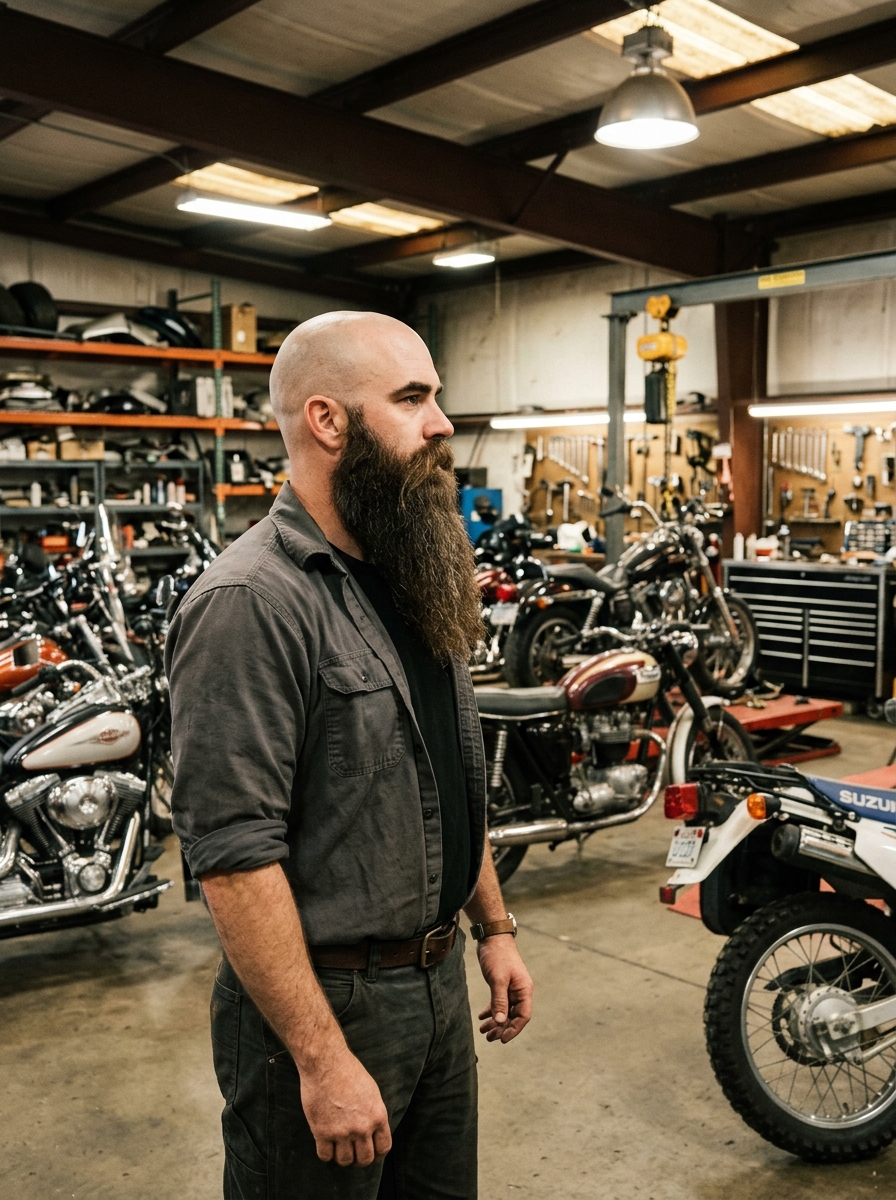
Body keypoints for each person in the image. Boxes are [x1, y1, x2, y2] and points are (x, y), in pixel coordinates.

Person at [167, 310, 534, 1199]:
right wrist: (322, 1058)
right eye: (412, 399)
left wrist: (493, 926)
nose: (441, 424)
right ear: (328, 421)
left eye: (435, 396)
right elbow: (232, 855)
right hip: (330, 1006)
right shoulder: (251, 603)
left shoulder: (414, 565)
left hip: (439, 987)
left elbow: (447, 779)